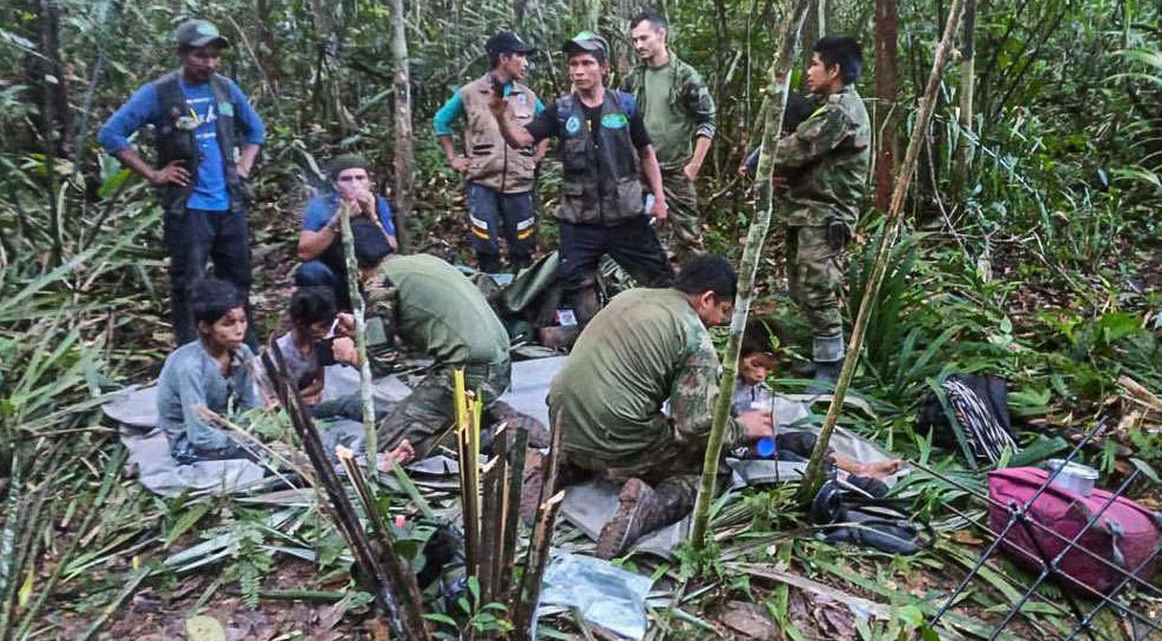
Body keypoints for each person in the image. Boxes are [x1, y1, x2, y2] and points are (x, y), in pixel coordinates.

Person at [545, 255, 775, 558]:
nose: (720, 321)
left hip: (561, 422)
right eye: (723, 310)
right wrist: (743, 428)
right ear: (707, 299)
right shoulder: (694, 337)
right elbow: (695, 427)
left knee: (610, 425)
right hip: (616, 437)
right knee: (711, 472)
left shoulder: (629, 297)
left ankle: (558, 467)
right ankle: (648, 508)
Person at [98, 19, 266, 348]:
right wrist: (154, 174)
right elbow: (111, 134)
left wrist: (243, 167)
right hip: (189, 208)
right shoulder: (160, 93)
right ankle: (192, 354)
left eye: (214, 56)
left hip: (229, 203)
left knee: (238, 281)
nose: (210, 63)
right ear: (181, 53)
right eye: (201, 56)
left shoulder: (225, 89)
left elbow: (255, 130)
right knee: (188, 284)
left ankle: (246, 351)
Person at [490, 31, 675, 325]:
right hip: (580, 219)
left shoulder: (625, 105)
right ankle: (594, 333)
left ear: (605, 68)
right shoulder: (561, 111)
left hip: (626, 216)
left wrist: (659, 198)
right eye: (573, 64)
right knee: (576, 281)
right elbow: (520, 139)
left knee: (660, 279)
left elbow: (646, 152)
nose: (578, 71)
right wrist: (501, 115)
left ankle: (665, 330)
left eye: (587, 63)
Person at [329, 225, 537, 460]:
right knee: (410, 421)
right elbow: (420, 330)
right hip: (497, 364)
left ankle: (491, 438)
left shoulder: (379, 285)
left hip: (469, 373)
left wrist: (350, 354)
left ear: (353, 267)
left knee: (380, 449)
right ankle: (485, 418)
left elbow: (381, 364)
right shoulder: (422, 262)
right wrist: (364, 330)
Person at [764, 36, 871, 385]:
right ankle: (821, 356)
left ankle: (831, 366)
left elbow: (795, 149)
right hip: (808, 210)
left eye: (814, 64)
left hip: (826, 214)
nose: (809, 71)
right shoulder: (827, 105)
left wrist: (761, 159)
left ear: (834, 69)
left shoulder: (841, 112)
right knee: (802, 285)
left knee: (819, 287)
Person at [730, 321, 901, 486]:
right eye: (756, 364)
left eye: (768, 369)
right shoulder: (723, 385)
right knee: (787, 460)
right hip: (735, 450)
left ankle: (860, 469)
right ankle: (845, 480)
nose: (761, 375)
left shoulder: (752, 387)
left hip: (756, 444)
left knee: (807, 440)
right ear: (737, 355)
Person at [433, 31, 548, 273]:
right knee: (485, 244)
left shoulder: (528, 96)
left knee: (523, 246)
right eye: (520, 56)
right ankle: (489, 287)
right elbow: (441, 121)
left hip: (519, 183)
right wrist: (453, 158)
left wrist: (538, 156)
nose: (526, 63)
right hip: (482, 181)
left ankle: (521, 289)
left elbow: (546, 124)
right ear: (503, 58)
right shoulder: (470, 93)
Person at [624, 11, 717, 266]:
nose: (638, 45)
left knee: (689, 238)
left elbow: (707, 120)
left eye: (644, 38)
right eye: (634, 40)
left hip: (676, 170)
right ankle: (651, 284)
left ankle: (697, 285)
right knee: (641, 235)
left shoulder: (686, 76)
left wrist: (694, 166)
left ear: (661, 34)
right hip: (640, 171)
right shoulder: (633, 78)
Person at [156, 278, 262, 464]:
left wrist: (255, 430)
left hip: (230, 428)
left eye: (243, 321)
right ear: (205, 327)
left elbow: (251, 406)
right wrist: (243, 440)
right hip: (190, 441)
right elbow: (199, 435)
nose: (239, 330)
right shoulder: (190, 366)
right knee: (258, 461)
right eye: (228, 324)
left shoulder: (243, 353)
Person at [296, 154, 398, 309]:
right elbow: (304, 253)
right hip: (336, 274)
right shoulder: (321, 206)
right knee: (310, 272)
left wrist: (372, 216)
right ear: (335, 185)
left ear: (369, 182)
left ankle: (380, 313)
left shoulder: (379, 203)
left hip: (372, 275)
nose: (354, 184)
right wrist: (336, 222)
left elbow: (392, 247)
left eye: (360, 178)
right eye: (346, 179)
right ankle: (326, 317)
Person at [274, 286, 367, 421]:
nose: (327, 332)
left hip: (308, 403)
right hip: (290, 414)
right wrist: (298, 400)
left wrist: (299, 397)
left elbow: (319, 384)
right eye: (322, 326)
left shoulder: (316, 345)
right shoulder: (280, 352)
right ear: (301, 324)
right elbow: (275, 400)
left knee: (358, 402)